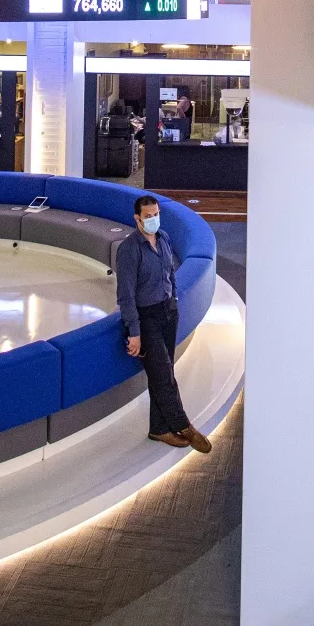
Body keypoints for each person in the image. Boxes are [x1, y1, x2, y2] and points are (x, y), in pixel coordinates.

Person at [115, 194, 211, 453]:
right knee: (164, 377)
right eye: (148, 216)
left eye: (156, 215)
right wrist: (135, 332)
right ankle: (185, 426)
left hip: (168, 312)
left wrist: (174, 299)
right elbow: (126, 295)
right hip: (147, 318)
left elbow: (170, 274)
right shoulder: (129, 250)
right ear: (137, 218)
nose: (153, 219)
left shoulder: (165, 238)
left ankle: (158, 429)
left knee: (162, 374)